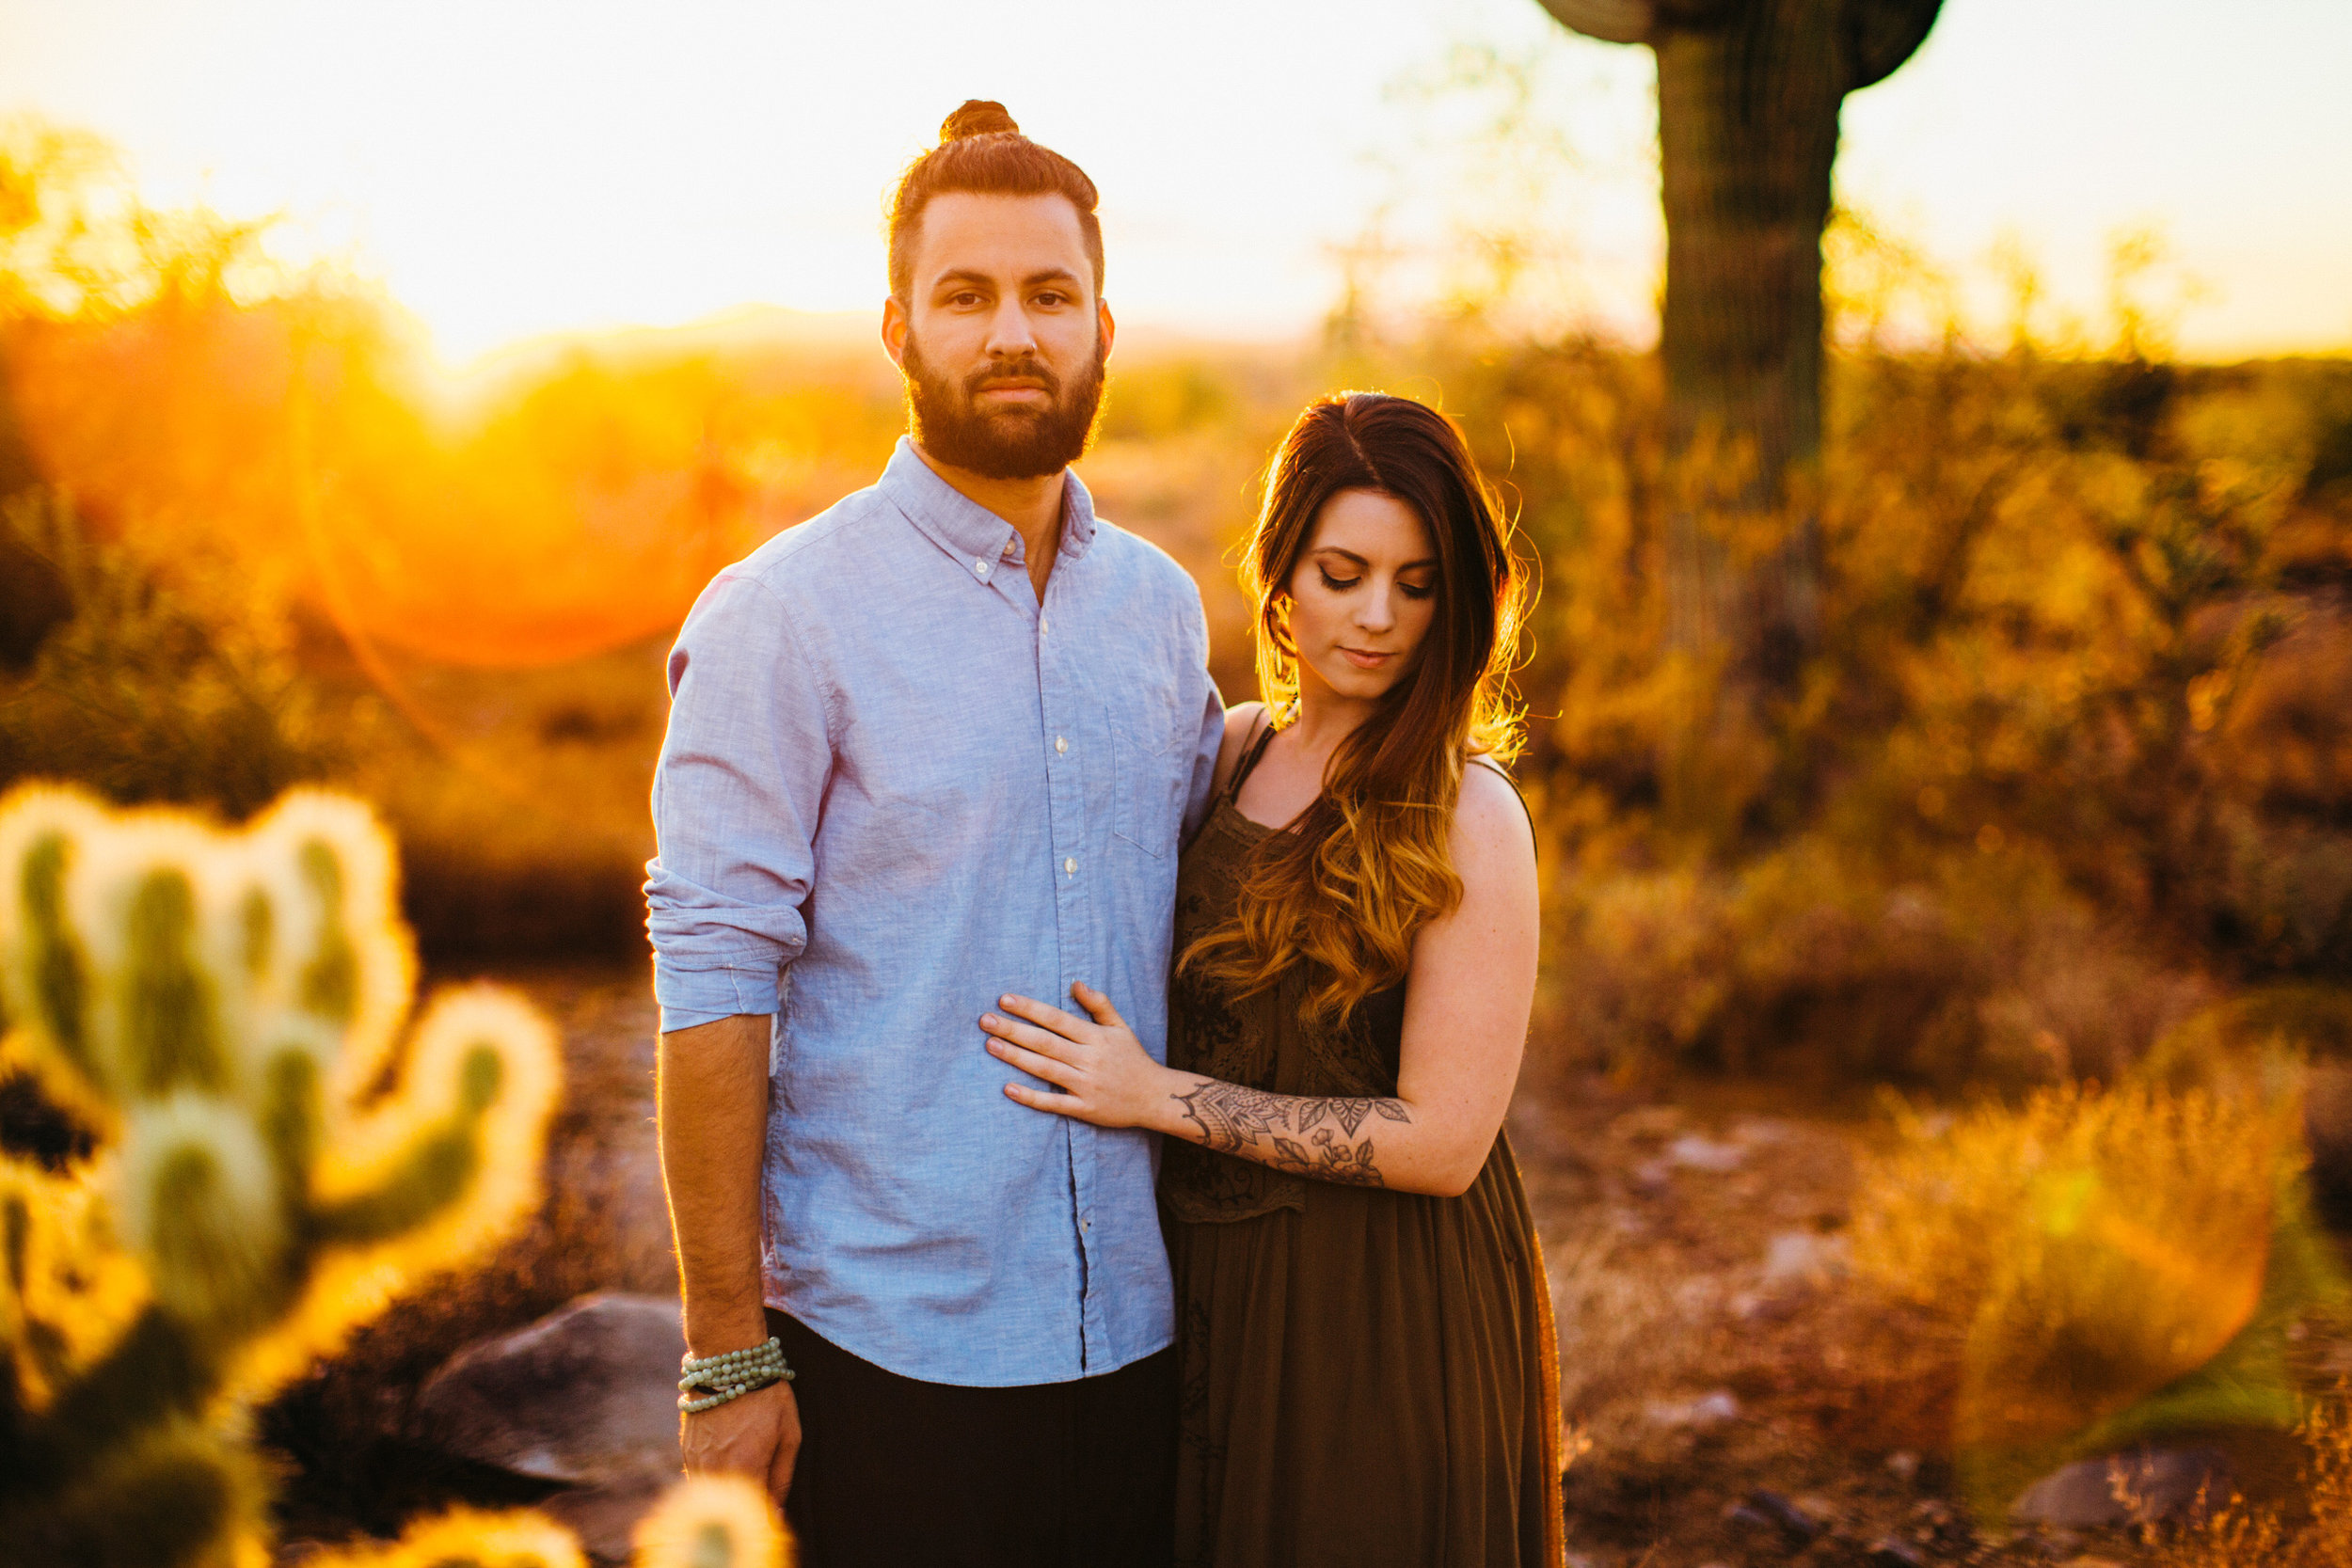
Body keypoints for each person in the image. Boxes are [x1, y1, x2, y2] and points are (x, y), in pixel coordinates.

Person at [644, 100, 1221, 1566]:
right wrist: (727, 1351)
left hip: (1147, 1336)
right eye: (966, 296)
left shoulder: (1156, 607)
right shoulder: (784, 615)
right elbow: (715, 980)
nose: (1012, 331)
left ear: (1105, 325)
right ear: (898, 329)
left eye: (1049, 293)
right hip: (888, 1353)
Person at [979, 391, 1566, 1566]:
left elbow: (1442, 1141)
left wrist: (1156, 1098)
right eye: (1342, 572)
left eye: (1417, 583)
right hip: (1212, 1285)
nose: (1378, 618)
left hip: (1382, 1309)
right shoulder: (1236, 747)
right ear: (1281, 574)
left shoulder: (1469, 811)